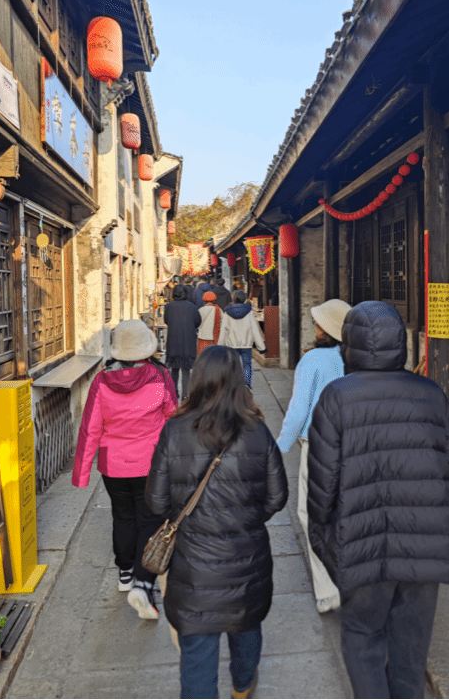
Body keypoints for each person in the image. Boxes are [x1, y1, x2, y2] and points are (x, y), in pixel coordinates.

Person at [307, 301, 449, 700]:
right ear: (400, 342)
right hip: (425, 543)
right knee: (411, 649)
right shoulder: (431, 394)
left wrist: (324, 540)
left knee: (363, 637)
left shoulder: (337, 397)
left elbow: (322, 487)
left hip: (361, 541)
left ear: (350, 344)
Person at [145, 346, 288, 700]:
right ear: (239, 382)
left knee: (197, 653)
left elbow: (157, 501)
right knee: (246, 627)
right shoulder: (257, 431)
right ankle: (242, 687)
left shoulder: (174, 431)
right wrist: (247, 519)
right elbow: (277, 497)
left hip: (193, 566)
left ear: (197, 380)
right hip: (247, 558)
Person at [72, 319, 177, 620]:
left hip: (113, 465)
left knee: (122, 516)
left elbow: (90, 428)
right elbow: (173, 416)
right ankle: (143, 582)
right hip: (149, 463)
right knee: (148, 519)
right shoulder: (160, 377)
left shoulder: (101, 381)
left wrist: (81, 474)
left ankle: (125, 574)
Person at [276, 299, 350, 614]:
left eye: (319, 322)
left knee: (312, 514)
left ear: (326, 329)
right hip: (353, 445)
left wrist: (280, 447)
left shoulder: (314, 359)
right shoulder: (355, 359)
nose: (315, 327)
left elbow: (298, 410)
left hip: (319, 446)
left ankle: (329, 588)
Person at [218, 290, 266, 388]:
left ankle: (234, 384)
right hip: (246, 344)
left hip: (232, 344)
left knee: (233, 365)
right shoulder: (249, 311)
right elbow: (255, 330)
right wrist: (261, 347)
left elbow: (224, 330)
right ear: (244, 298)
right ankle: (247, 383)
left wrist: (220, 346)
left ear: (234, 298)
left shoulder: (227, 312)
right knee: (247, 364)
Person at [164, 284, 201, 400]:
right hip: (188, 341)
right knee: (186, 369)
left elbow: (166, 320)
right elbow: (198, 321)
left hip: (173, 340)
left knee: (174, 368)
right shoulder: (192, 306)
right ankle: (185, 394)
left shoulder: (169, 306)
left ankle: (174, 392)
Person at [197, 290, 222, 355]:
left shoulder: (201, 310)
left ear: (204, 300)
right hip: (214, 338)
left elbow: (198, 323)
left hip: (202, 337)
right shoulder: (218, 310)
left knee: (202, 356)